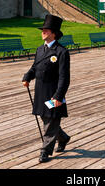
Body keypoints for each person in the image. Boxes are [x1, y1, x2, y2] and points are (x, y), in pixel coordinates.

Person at [22, 14, 70, 164]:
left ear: (54, 33)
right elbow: (35, 67)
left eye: (46, 30)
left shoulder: (61, 52)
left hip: (53, 93)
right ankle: (63, 137)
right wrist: (27, 76)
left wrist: (58, 96)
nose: (43, 32)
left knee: (50, 123)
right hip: (41, 92)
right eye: (43, 29)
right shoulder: (40, 50)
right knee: (47, 118)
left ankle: (45, 151)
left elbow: (64, 78)